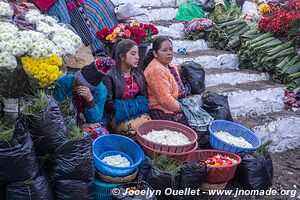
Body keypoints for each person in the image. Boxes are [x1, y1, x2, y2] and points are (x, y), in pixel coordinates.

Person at [53, 57, 115, 139]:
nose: (75, 87)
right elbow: (58, 109)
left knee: (98, 134)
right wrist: (80, 124)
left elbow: (95, 119)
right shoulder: (66, 80)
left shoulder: (101, 91)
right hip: (68, 120)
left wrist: (90, 101)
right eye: (75, 82)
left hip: (89, 122)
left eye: (79, 86)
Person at [102, 39, 150, 139]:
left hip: (138, 114)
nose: (137, 57)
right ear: (122, 56)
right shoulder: (109, 76)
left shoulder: (138, 72)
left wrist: (128, 105)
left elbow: (144, 95)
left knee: (150, 129)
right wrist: (136, 104)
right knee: (136, 133)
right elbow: (109, 106)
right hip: (116, 118)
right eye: (133, 54)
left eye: (137, 53)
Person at [143, 36, 188, 125]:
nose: (169, 53)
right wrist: (184, 108)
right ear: (155, 54)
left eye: (170, 49)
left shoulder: (169, 66)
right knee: (194, 127)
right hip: (161, 110)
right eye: (164, 50)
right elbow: (165, 100)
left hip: (172, 105)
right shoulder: (156, 70)